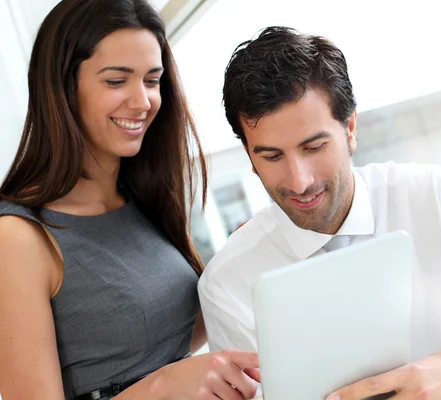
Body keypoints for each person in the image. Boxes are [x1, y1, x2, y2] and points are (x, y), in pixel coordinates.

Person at [198, 26, 441, 399]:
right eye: (271, 157)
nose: (299, 181)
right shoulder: (229, 283)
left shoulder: (434, 195)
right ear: (251, 159)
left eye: (314, 147)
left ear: (350, 128)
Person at [0, 1, 260, 399]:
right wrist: (162, 386)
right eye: (116, 81)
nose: (142, 102)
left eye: (152, 80)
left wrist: (236, 265)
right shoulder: (17, 239)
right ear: (62, 86)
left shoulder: (140, 198)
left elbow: (156, 340)